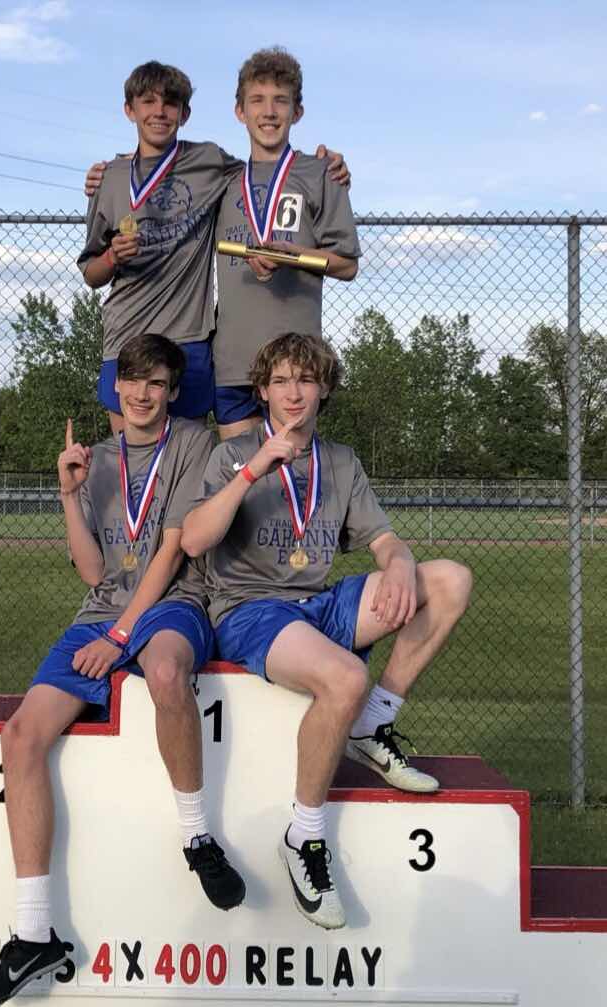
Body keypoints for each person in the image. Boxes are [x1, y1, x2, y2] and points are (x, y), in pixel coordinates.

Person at [0, 334, 245, 1007]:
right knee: (20, 736)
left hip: (170, 603)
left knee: (168, 673)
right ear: (115, 386)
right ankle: (33, 934)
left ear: (173, 392)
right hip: (101, 612)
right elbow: (93, 573)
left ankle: (197, 837)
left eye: (157, 383)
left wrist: (122, 636)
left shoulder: (193, 444)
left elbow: (172, 553)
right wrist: (68, 493)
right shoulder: (95, 458)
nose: (143, 394)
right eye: (133, 381)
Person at [181, 333, 472, 931]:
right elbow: (193, 540)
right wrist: (254, 470)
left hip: (317, 604)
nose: (294, 392)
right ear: (263, 391)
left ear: (324, 389)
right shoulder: (231, 454)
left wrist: (398, 562)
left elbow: (384, 539)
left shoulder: (339, 461)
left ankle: (374, 722)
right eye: (281, 380)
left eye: (306, 380)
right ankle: (303, 837)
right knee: (344, 677)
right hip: (250, 611)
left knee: (449, 580)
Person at [81, 58, 349, 435]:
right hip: (128, 336)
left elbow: (268, 171)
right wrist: (111, 255)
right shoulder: (109, 177)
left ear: (185, 114)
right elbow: (91, 273)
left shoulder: (210, 162)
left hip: (190, 339)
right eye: (148, 102)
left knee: (191, 456)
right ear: (129, 110)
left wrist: (325, 167)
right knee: (134, 457)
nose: (159, 112)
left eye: (170, 103)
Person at [213, 47, 360, 439]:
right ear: (239, 111)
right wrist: (107, 170)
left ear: (297, 111)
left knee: (291, 474)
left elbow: (348, 265)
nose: (269, 112)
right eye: (257, 100)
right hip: (234, 363)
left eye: (281, 100)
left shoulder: (321, 173)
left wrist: (297, 256)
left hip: (296, 368)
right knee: (242, 472)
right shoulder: (222, 178)